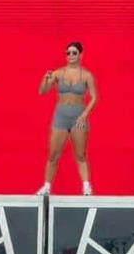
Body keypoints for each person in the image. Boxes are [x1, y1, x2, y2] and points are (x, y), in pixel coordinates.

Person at [36, 41, 98, 196]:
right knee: (53, 155)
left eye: (74, 53)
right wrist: (45, 78)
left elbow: (95, 97)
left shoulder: (87, 75)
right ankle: (47, 186)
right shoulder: (58, 73)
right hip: (61, 115)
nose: (70, 56)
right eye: (68, 53)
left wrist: (84, 115)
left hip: (78, 116)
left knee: (81, 154)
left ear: (80, 55)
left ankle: (86, 186)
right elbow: (43, 91)